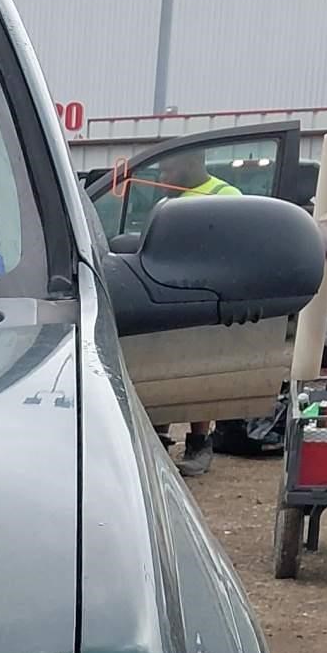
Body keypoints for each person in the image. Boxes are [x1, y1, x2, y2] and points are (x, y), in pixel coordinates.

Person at [124, 148, 244, 477]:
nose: (163, 178)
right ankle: (160, 438)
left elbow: (233, 249)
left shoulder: (224, 196)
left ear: (192, 164)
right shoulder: (170, 200)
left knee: (199, 371)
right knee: (166, 365)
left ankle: (199, 441)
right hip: (170, 293)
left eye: (169, 171)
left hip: (206, 297)